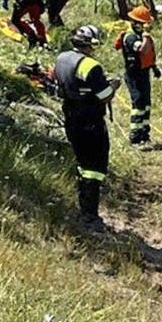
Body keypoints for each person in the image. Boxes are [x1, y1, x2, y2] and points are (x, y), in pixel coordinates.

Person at [54, 25, 120, 233]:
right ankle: (89, 216)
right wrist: (113, 85)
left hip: (71, 117)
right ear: (92, 43)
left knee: (82, 163)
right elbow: (104, 95)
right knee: (94, 168)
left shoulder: (62, 58)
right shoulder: (91, 65)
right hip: (90, 122)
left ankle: (83, 206)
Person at [114, 5, 162, 146]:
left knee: (146, 103)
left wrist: (154, 67)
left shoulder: (141, 35)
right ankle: (135, 134)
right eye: (143, 23)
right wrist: (146, 34)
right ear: (134, 22)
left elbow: (149, 55)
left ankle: (144, 133)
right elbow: (143, 50)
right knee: (138, 102)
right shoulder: (130, 37)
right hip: (133, 74)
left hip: (144, 72)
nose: (145, 26)